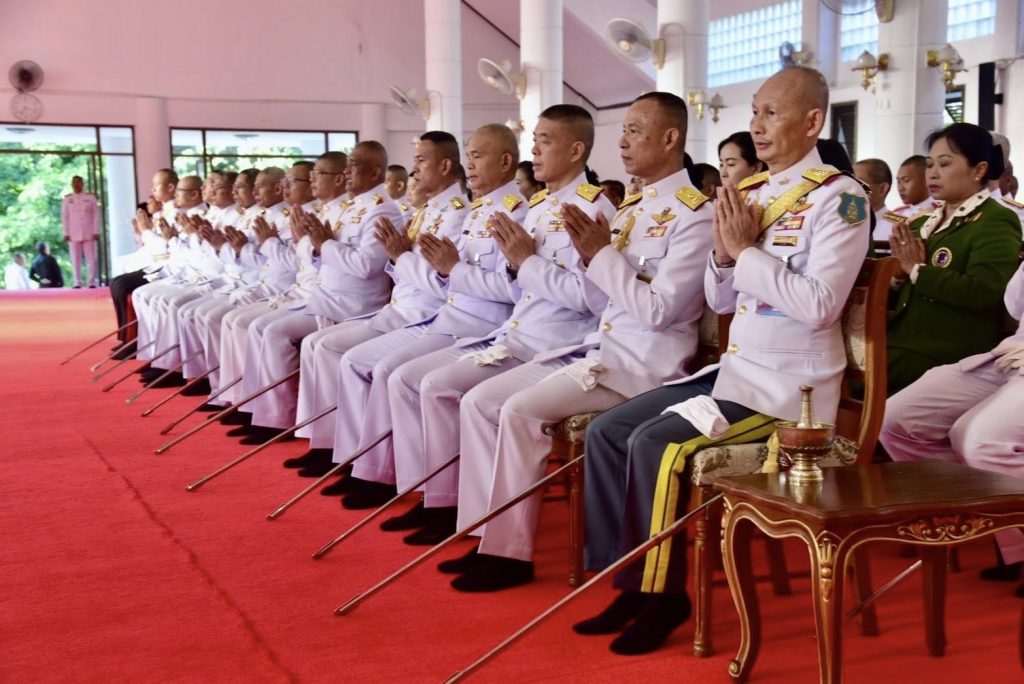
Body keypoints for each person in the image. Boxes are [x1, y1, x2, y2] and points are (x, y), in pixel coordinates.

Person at [575, 66, 869, 655]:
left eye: (771, 113)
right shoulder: (751, 193)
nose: (756, 125)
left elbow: (820, 306)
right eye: (754, 112)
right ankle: (629, 579)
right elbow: (721, 301)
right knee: (608, 432)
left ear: (812, 121)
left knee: (656, 445)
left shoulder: (841, 199)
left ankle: (663, 596)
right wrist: (725, 257)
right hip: (735, 375)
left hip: (790, 394)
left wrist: (743, 250)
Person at [440, 92, 714, 593]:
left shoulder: (694, 214)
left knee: (518, 410)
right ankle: (486, 538)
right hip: (600, 354)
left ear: (670, 138)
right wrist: (592, 259)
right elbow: (605, 298)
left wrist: (596, 257)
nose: (622, 142)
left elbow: (655, 312)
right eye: (623, 130)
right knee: (482, 400)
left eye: (634, 131)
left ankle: (508, 555)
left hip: (644, 366)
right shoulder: (634, 208)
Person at [380, 106, 615, 538]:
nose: (534, 150)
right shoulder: (541, 206)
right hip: (514, 334)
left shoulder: (592, 208)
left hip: (558, 342)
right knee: (431, 384)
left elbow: (590, 300)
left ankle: (476, 525)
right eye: (535, 141)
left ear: (576, 149)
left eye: (545, 141)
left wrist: (521, 264)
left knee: (461, 395)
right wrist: (514, 268)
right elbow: (518, 285)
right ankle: (447, 506)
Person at [880, 259, 1024, 590]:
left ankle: (1012, 542)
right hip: (1011, 354)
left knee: (980, 441)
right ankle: (1003, 533)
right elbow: (1014, 305)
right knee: (897, 421)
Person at [886, 123, 1022, 394]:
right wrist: (896, 278)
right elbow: (900, 282)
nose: (933, 173)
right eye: (929, 165)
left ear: (979, 170)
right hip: (899, 340)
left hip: (946, 351)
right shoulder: (920, 223)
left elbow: (986, 291)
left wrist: (918, 270)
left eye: (945, 164)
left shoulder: (995, 219)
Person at [62, 175, 100, 288]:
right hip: (73, 233)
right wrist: (66, 233)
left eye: (78, 182)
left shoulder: (90, 198)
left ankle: (91, 281)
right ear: (71, 184)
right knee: (75, 258)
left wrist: (96, 231)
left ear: (82, 184)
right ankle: (77, 282)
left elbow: (96, 215)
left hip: (89, 232)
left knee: (91, 258)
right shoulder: (67, 199)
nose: (76, 184)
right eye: (74, 182)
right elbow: (65, 217)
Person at [854, 158, 898, 240]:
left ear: (882, 189)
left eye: (860, 183)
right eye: (851, 182)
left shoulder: (898, 227)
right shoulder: (844, 222)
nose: (852, 189)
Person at [892, 155, 938, 221]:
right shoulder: (897, 214)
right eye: (898, 182)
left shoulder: (940, 212)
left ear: (926, 180)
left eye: (906, 180)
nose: (900, 188)